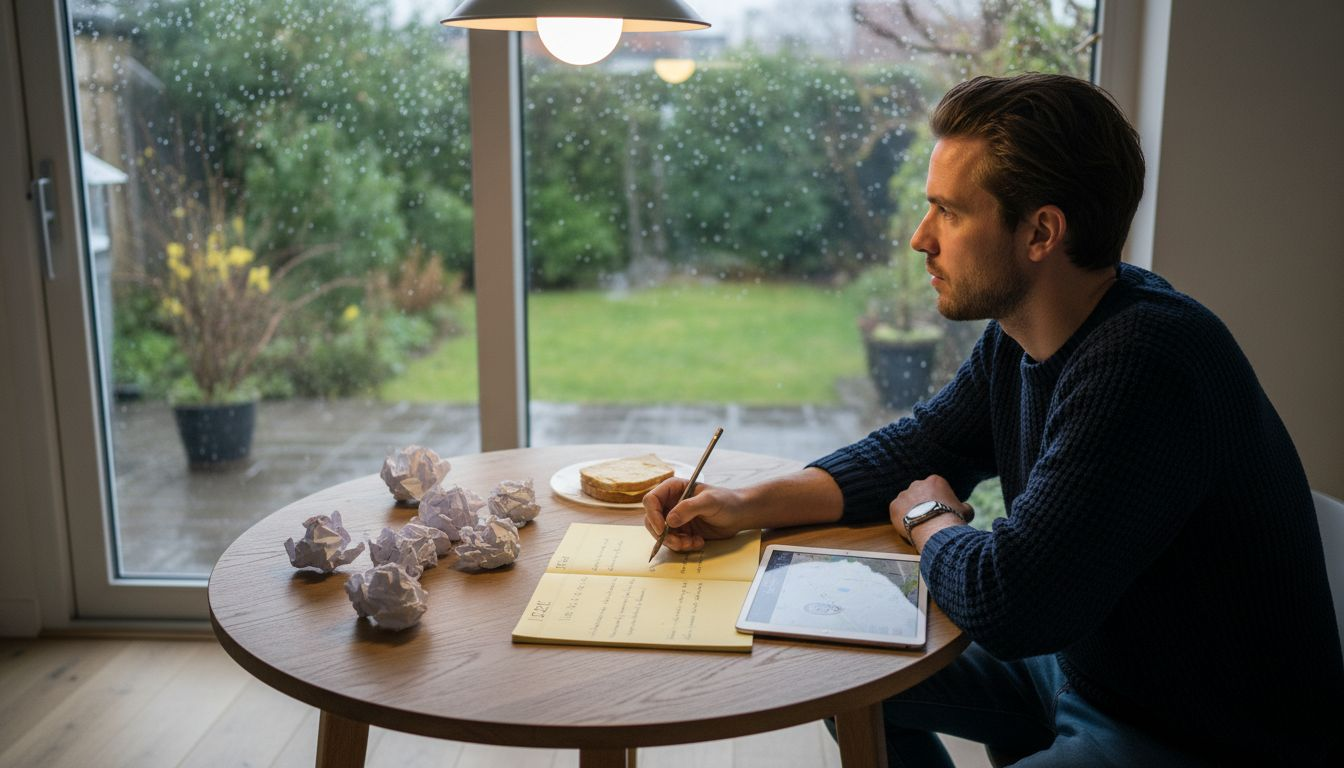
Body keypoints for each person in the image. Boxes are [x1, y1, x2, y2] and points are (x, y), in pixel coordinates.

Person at [643, 73, 1343, 767]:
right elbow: (921, 446)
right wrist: (739, 504)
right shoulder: (1024, 334)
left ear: (1040, 232)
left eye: (949, 212)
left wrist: (928, 522)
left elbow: (1012, 604)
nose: (921, 238)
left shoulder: (1148, 362)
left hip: (1192, 731)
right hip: (1083, 666)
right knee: (846, 683)